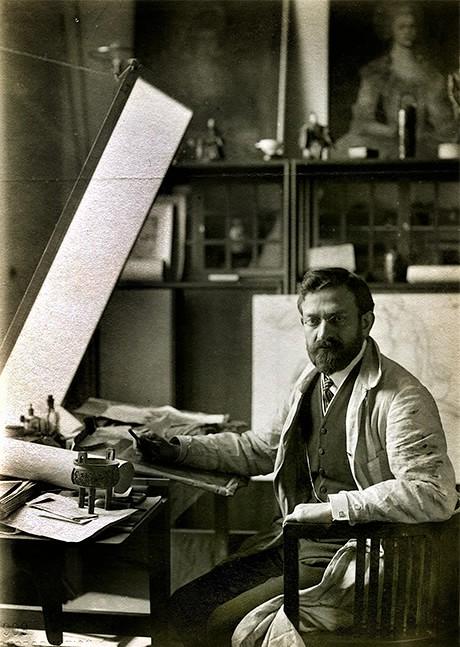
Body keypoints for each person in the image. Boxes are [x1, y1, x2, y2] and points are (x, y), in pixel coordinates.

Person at [138, 267, 457, 646]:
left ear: (366, 321)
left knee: (224, 625)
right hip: (293, 544)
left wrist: (332, 509)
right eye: (313, 321)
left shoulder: (401, 396)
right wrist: (180, 449)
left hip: (359, 558)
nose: (324, 334)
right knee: (183, 608)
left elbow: (433, 493)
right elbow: (265, 450)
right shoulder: (310, 380)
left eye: (337, 319)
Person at [333, 1, 457, 159]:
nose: (408, 32)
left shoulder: (431, 75)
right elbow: (362, 121)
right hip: (386, 141)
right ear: (391, 29)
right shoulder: (377, 71)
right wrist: (391, 131)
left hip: (424, 143)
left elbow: (444, 125)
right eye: (402, 27)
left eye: (412, 26)